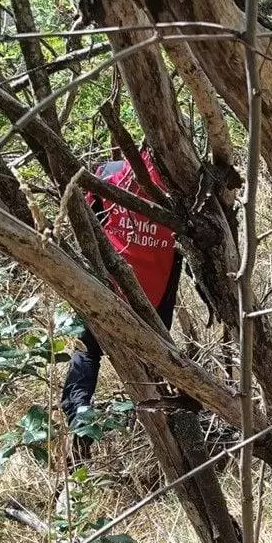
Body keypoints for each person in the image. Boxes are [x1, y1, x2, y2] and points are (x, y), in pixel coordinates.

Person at [62, 146, 185, 460]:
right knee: (153, 364)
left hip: (107, 287)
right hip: (154, 298)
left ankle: (80, 412)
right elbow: (180, 253)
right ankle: (158, 434)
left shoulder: (108, 174)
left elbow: (85, 224)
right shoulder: (181, 187)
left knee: (86, 353)